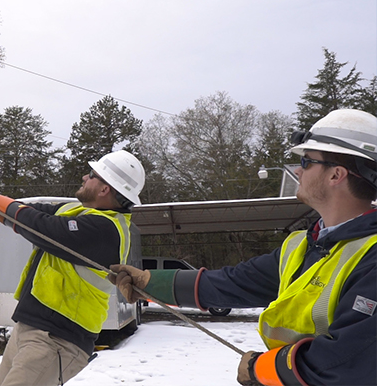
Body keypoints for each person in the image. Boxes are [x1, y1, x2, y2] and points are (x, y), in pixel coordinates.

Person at [111, 109, 377, 386]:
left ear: (336, 175)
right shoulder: (305, 245)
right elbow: (234, 282)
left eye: (307, 162)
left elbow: (344, 363)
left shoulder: (371, 258)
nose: (298, 170)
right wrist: (152, 282)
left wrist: (259, 369)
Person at [0, 149, 146, 386]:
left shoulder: (105, 230)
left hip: (57, 341)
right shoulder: (78, 213)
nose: (84, 177)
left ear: (104, 189)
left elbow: (37, 226)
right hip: (31, 330)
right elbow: (23, 211)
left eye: (92, 174)